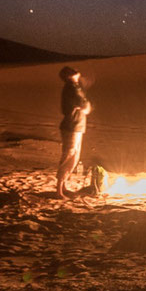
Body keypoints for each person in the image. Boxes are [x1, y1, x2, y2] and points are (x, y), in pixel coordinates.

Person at [55, 66, 92, 198]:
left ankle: (63, 187)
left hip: (76, 125)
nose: (76, 71)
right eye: (72, 71)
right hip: (72, 126)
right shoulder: (71, 88)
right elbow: (84, 105)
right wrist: (84, 107)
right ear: (68, 76)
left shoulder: (74, 87)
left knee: (73, 156)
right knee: (69, 156)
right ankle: (59, 190)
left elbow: (83, 106)